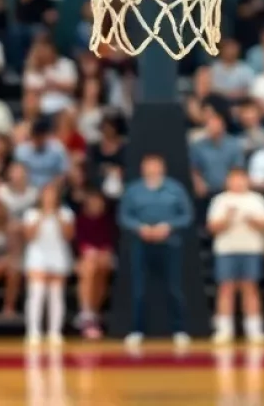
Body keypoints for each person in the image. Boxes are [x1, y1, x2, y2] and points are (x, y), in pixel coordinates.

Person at [117, 154, 194, 348]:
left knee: (174, 287)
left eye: (155, 166)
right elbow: (124, 215)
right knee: (138, 288)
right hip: (141, 243)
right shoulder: (133, 190)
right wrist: (139, 227)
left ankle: (179, 330)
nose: (151, 169)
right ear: (142, 168)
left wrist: (168, 226)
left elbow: (186, 215)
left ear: (162, 168)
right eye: (148, 166)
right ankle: (136, 330)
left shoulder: (175, 189)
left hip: (170, 242)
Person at [207, 166, 264, 345]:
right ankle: (224, 329)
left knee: (250, 288)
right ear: (228, 181)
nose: (238, 182)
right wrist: (227, 218)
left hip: (251, 249)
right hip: (226, 249)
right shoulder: (220, 200)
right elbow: (212, 227)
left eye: (241, 178)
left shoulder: (256, 199)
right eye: (234, 178)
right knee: (226, 288)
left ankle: (254, 328)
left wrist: (252, 220)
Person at [74, 188, 117, 339]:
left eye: (99, 202)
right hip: (86, 257)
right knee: (89, 267)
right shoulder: (80, 220)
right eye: (92, 201)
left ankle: (93, 312)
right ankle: (87, 314)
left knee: (101, 266)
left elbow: (110, 244)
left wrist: (103, 253)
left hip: (104, 257)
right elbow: (80, 244)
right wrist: (90, 253)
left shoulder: (108, 221)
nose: (96, 204)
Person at [190, 105, 245, 204]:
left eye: (216, 123)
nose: (213, 127)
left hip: (229, 189)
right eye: (210, 124)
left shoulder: (233, 145)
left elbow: (237, 169)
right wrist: (198, 183)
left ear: (222, 125)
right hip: (207, 191)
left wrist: (230, 185)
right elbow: (194, 169)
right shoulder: (198, 146)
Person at [15, 116, 70, 190]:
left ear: (46, 135)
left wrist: (53, 187)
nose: (39, 139)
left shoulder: (57, 149)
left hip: (51, 190)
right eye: (36, 136)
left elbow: (63, 173)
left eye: (42, 136)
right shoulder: (21, 151)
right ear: (32, 136)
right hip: (28, 190)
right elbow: (16, 172)